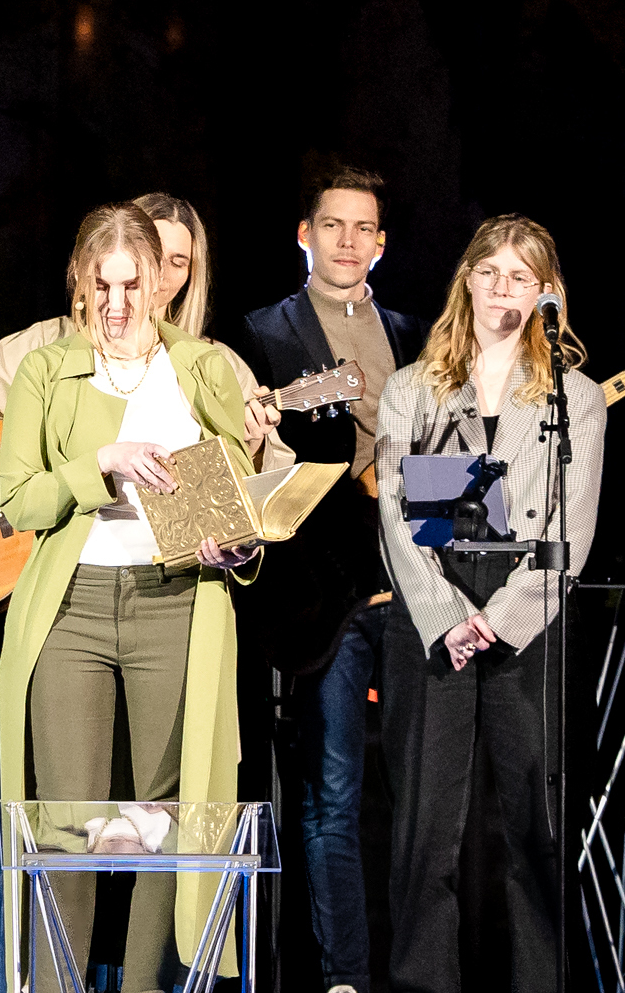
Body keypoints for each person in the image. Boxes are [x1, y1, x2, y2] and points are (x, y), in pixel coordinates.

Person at [0, 204, 263, 993]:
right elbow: (17, 499)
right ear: (79, 280)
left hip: (176, 603)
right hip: (72, 608)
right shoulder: (46, 370)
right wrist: (102, 463)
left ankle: (146, 986)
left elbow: (240, 501)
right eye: (101, 285)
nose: (115, 304)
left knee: (166, 824)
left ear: (160, 282)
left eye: (132, 285)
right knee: (68, 822)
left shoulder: (203, 367)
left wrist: (237, 544)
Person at [373, 215, 605, 993]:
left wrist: (500, 620)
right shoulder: (412, 388)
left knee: (538, 827)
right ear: (467, 278)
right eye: (490, 271)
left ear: (546, 292)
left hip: (528, 616)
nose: (503, 287)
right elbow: (396, 514)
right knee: (424, 828)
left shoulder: (575, 398)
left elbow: (571, 531)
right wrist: (448, 617)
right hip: (433, 608)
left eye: (521, 276)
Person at [234, 165, 423, 993]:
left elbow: (448, 465)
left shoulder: (417, 335)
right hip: (323, 594)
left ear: (381, 244)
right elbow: (251, 473)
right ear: (304, 234)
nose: (349, 241)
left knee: (425, 796)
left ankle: (423, 970)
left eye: (364, 228)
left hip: (415, 590)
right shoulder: (260, 333)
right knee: (332, 794)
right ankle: (344, 977)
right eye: (333, 225)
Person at [0, 190, 282, 483]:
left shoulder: (215, 363)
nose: (160, 274)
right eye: (150, 253)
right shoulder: (50, 345)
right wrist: (2, 465)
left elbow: (261, 497)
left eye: (177, 261)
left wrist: (252, 445)